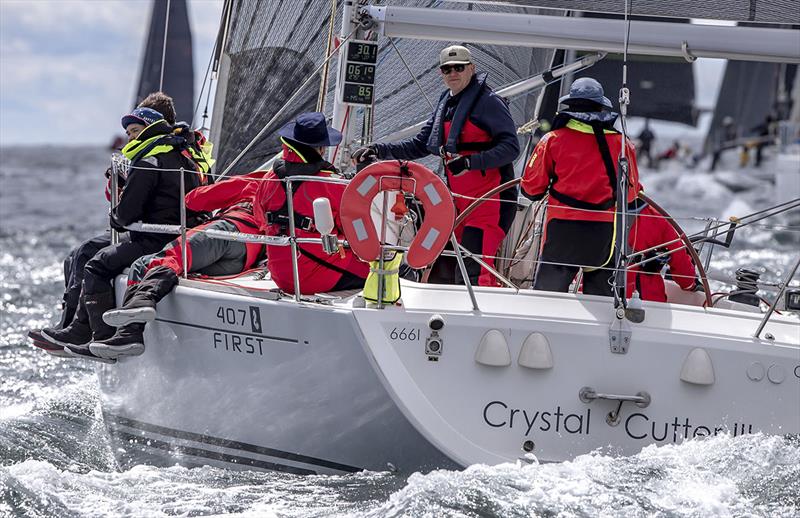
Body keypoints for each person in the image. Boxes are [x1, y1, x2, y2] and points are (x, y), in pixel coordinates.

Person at [27, 93, 189, 355]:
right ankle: (74, 327)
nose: (131, 138)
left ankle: (94, 335)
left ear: (150, 127)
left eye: (135, 131)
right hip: (173, 233)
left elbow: (124, 216)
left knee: (96, 263)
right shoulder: (182, 153)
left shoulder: (149, 161)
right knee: (79, 255)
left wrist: (119, 203)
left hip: (155, 236)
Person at [352, 45, 519, 286]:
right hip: (460, 203)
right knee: (459, 266)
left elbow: (511, 147)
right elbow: (421, 144)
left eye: (459, 67)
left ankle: (478, 318)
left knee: (475, 271)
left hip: (490, 202)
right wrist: (380, 149)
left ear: (471, 68)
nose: (453, 73)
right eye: (446, 69)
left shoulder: (489, 102)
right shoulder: (446, 102)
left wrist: (472, 162)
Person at [87, 172, 267, 360]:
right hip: (248, 255)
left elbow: (193, 200)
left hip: (228, 233)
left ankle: (130, 330)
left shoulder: (255, 181)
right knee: (183, 272)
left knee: (146, 264)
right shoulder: (284, 192)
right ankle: (131, 330)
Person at [521, 77, 640, 296]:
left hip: (561, 232)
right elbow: (631, 195)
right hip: (602, 235)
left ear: (570, 106)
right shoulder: (623, 145)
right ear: (601, 106)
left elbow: (531, 190)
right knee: (601, 305)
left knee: (546, 300)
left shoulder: (552, 140)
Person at [255, 112, 369, 294]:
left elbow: (260, 219)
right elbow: (357, 232)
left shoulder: (270, 178)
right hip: (316, 276)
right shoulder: (332, 184)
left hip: (280, 275)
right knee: (385, 271)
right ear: (322, 148)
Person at [627, 203, 698, 302]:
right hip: (646, 301)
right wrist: (691, 285)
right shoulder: (654, 216)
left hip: (602, 295)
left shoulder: (601, 212)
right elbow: (684, 271)